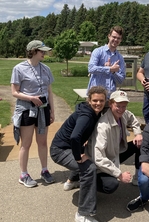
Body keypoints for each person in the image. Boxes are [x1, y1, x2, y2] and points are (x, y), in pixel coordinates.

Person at [50, 86, 106, 222]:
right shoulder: (86, 115)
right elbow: (75, 137)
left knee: (87, 154)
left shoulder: (95, 110)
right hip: (60, 150)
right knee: (89, 168)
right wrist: (78, 157)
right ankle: (83, 214)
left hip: (67, 147)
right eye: (95, 100)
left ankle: (72, 181)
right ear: (89, 100)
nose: (98, 103)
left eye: (101, 101)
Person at [11, 40, 55, 188]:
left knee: (42, 142)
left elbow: (49, 92)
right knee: (26, 143)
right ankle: (23, 174)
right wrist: (31, 98)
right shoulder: (19, 68)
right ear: (33, 51)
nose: (44, 52)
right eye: (41, 50)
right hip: (26, 110)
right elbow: (14, 92)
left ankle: (44, 170)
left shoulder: (46, 69)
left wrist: (52, 111)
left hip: (43, 109)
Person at [85, 90, 143, 197]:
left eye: (124, 106)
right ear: (111, 104)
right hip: (99, 164)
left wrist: (138, 133)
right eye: (118, 105)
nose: (121, 109)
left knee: (140, 143)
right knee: (111, 185)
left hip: (115, 154)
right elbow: (98, 158)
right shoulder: (103, 126)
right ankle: (87, 181)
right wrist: (119, 174)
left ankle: (139, 177)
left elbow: (133, 119)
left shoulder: (124, 114)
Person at [87, 26, 126, 98]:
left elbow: (121, 80)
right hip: (95, 96)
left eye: (118, 38)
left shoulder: (120, 58)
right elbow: (91, 68)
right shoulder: (98, 51)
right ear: (109, 36)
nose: (116, 40)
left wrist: (114, 72)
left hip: (110, 97)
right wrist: (109, 69)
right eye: (114, 37)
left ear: (121, 40)